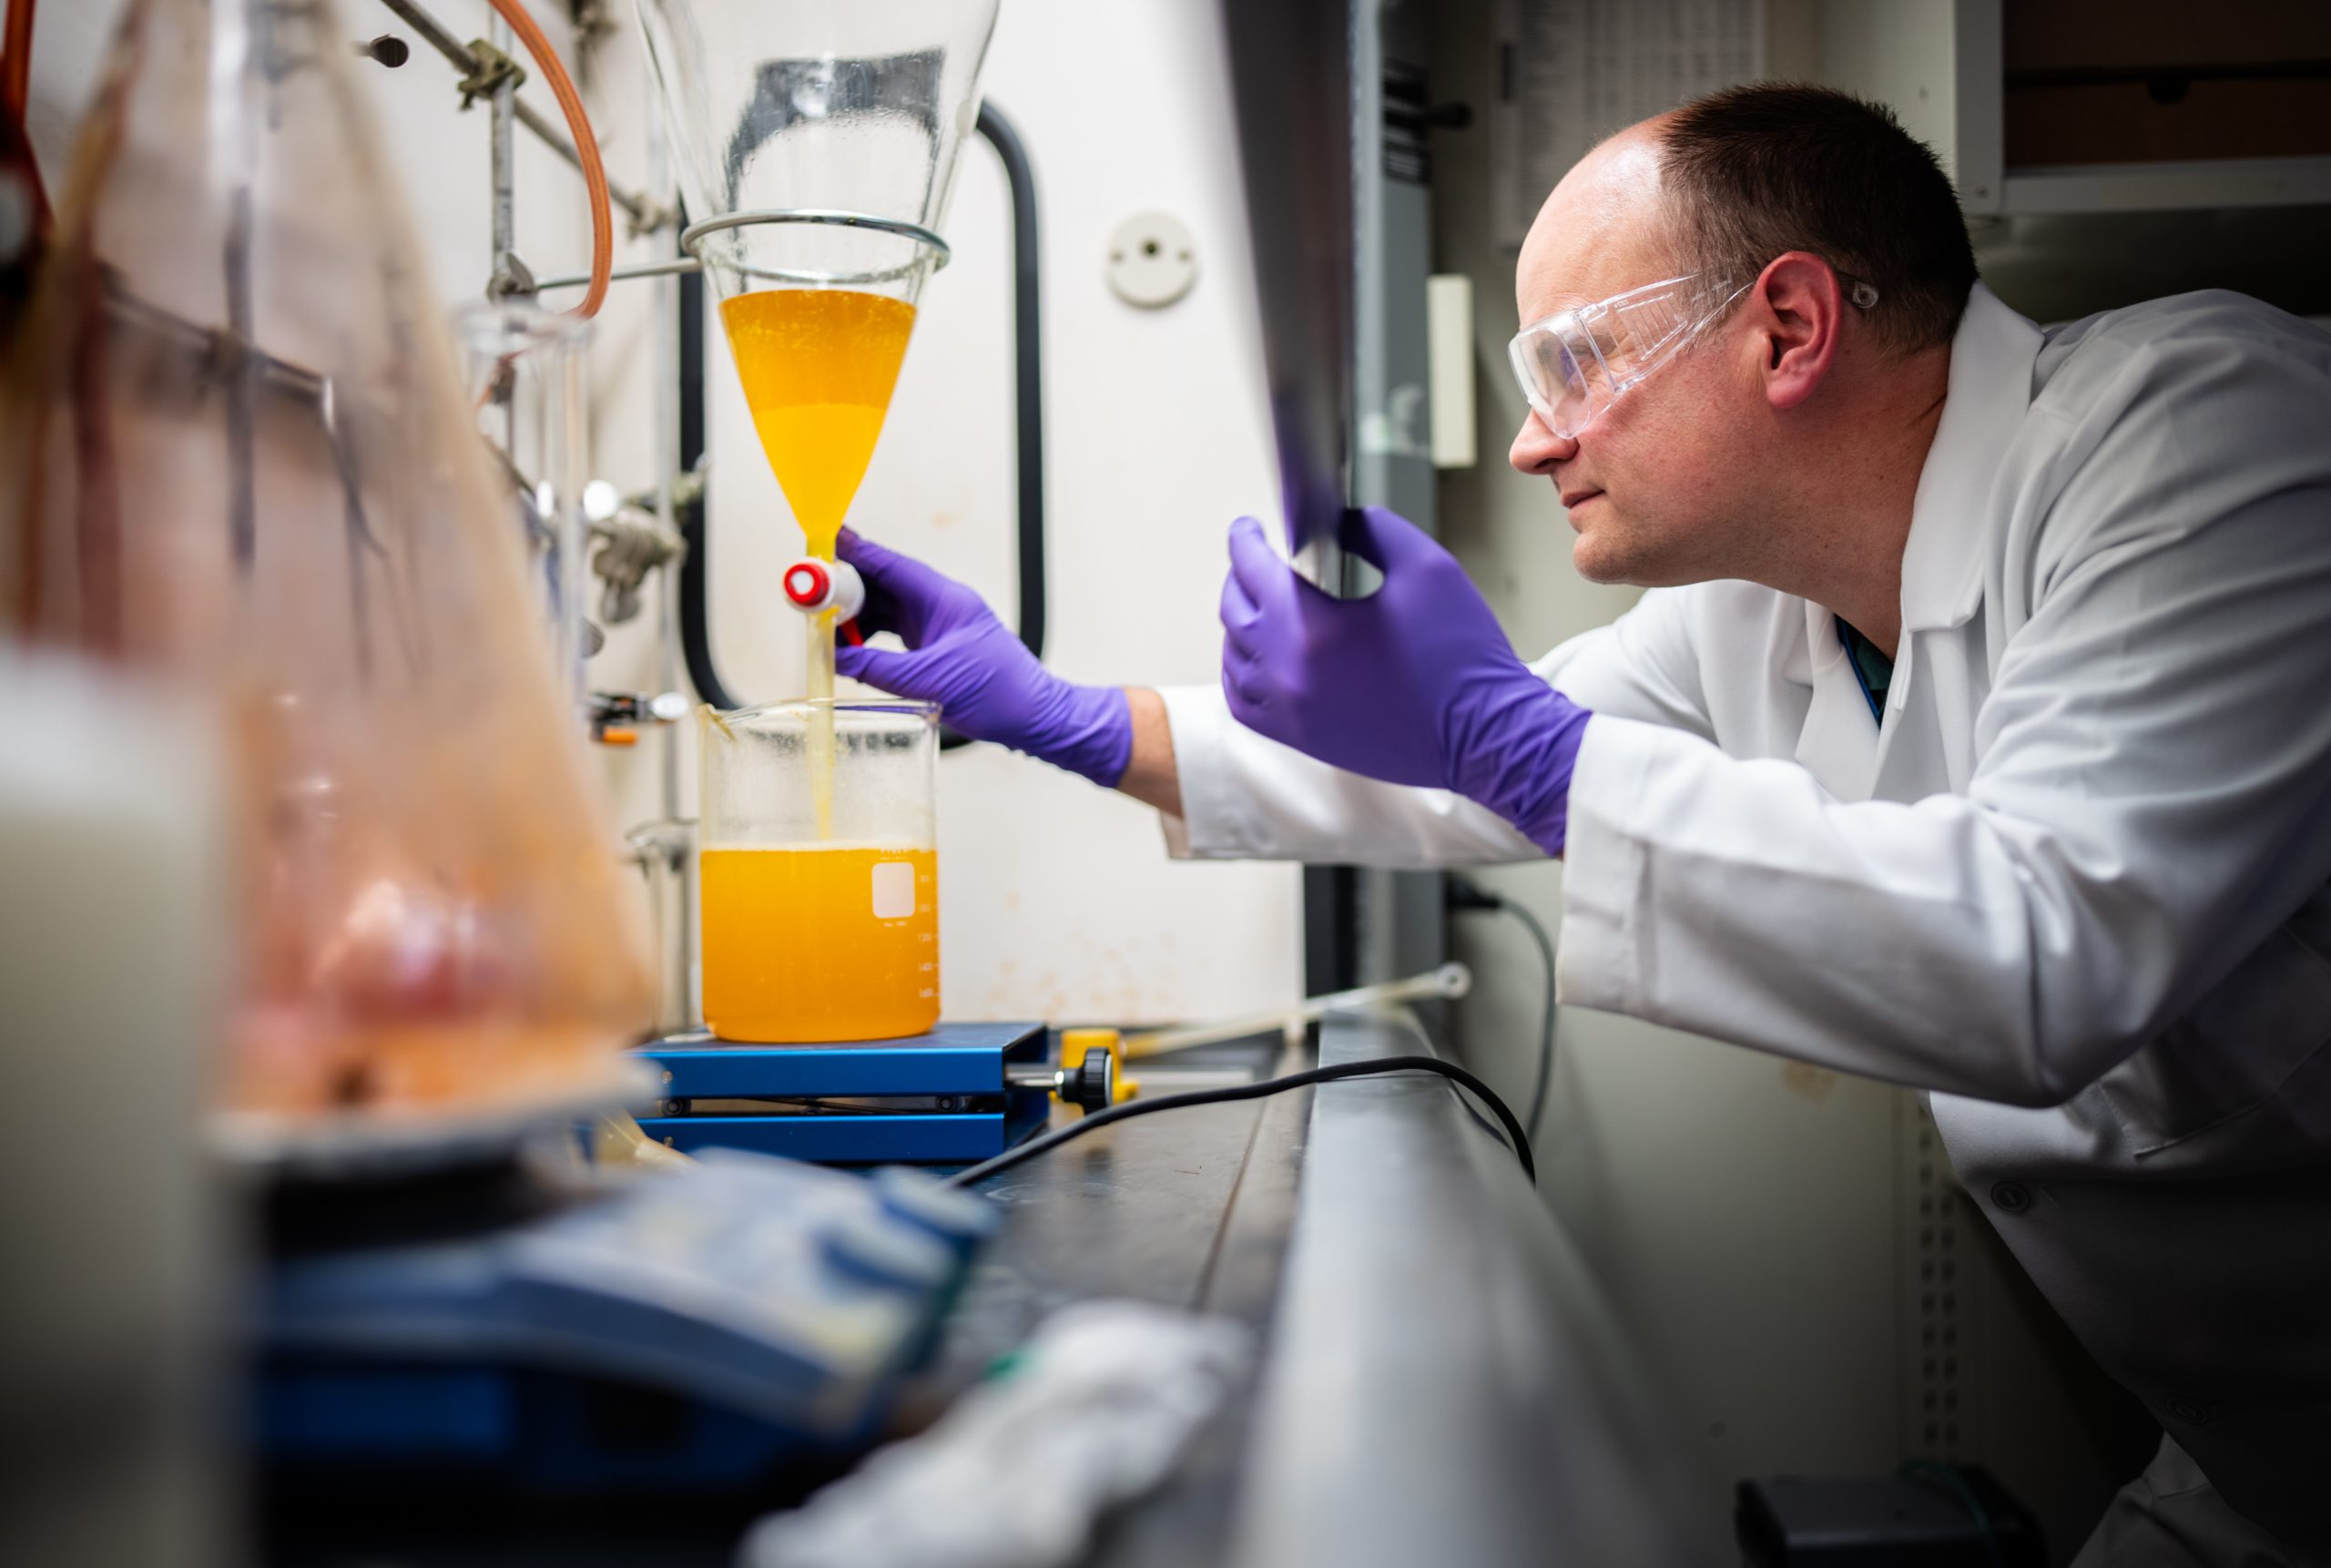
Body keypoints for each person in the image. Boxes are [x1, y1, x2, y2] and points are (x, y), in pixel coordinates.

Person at [829, 84, 2331, 1565]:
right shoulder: (1760, 610)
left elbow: (2047, 944)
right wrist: (1067, 718)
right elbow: (1450, 770)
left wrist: (1504, 734)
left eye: (1575, 360)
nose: (1538, 440)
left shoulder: (2205, 438)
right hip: (2250, 1468)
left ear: (1790, 328)